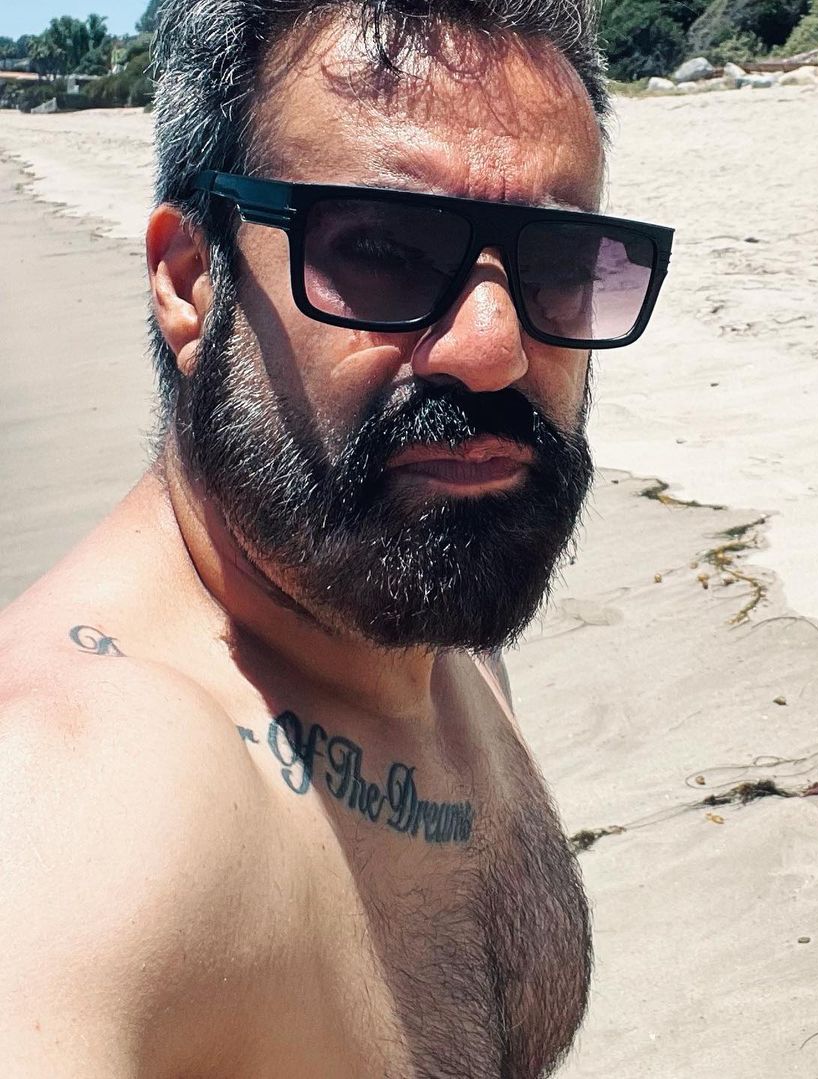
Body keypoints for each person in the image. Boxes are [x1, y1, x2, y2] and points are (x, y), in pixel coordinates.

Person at [0, 2, 672, 1075]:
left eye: (556, 259)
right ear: (191, 282)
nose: (494, 348)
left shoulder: (432, 633)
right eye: (383, 250)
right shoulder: (72, 792)